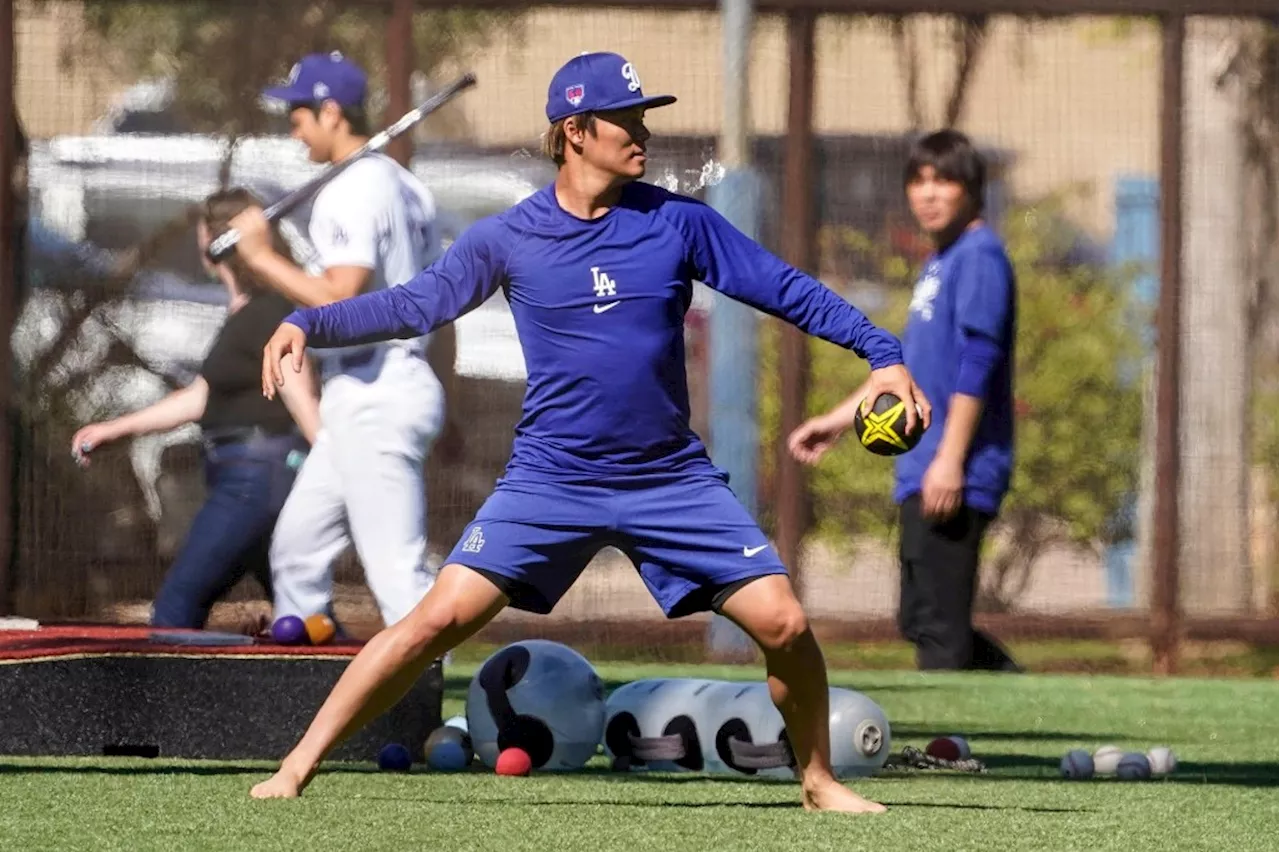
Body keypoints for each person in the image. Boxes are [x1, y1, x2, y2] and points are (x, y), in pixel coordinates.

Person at [251, 51, 929, 813]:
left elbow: (784, 289)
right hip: (551, 482)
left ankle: (818, 781)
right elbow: (415, 305)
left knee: (785, 622)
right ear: (575, 130)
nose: (642, 132)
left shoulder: (680, 223)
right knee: (430, 623)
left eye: (643, 116)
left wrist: (884, 353)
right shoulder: (507, 237)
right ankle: (297, 765)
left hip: (670, 480)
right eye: (626, 119)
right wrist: (307, 321)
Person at [227, 52, 445, 631]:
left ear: (330, 112)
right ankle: (312, 688)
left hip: (378, 388)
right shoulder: (403, 183)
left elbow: (340, 299)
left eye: (298, 114)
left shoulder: (353, 186)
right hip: (375, 387)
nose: (293, 129)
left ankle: (444, 710)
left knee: (396, 572)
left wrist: (260, 257)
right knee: (296, 555)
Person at [789, 129, 1021, 673]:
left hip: (952, 469)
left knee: (937, 629)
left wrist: (950, 459)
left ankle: (954, 747)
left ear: (972, 188)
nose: (929, 193)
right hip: (924, 466)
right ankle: (1023, 695)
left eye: (943, 180)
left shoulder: (980, 257)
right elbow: (911, 368)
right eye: (918, 181)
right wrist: (840, 420)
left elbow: (978, 362)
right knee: (921, 618)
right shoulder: (941, 261)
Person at [71, 188, 320, 629]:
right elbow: (201, 396)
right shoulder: (248, 315)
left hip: (256, 480)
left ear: (218, 242)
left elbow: (301, 393)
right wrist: (115, 429)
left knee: (174, 613)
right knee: (305, 619)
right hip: (249, 475)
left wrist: (336, 466)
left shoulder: (269, 313)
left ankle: (184, 696)